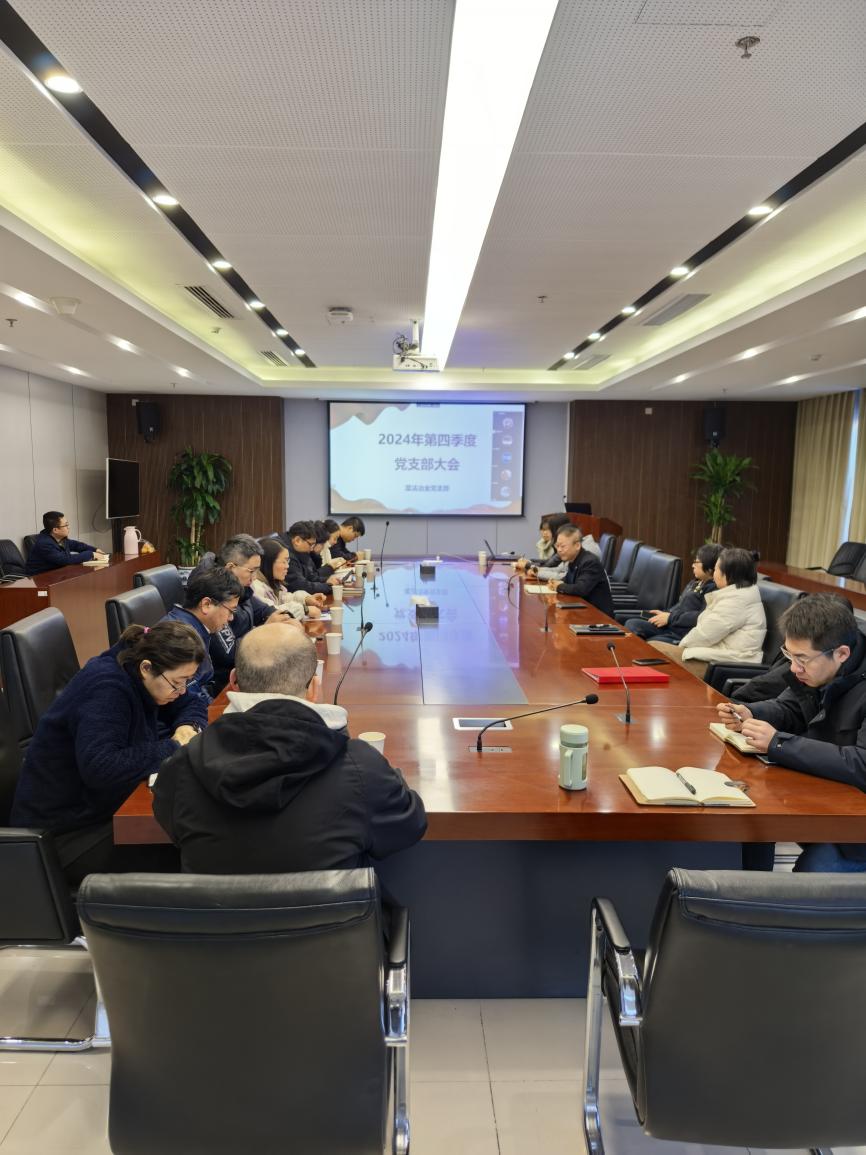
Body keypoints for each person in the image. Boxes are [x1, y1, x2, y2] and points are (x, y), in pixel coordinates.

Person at [153, 626, 427, 873]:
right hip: (328, 915)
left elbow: (172, 828)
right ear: (314, 688)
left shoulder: (183, 766)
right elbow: (409, 826)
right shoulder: (361, 767)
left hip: (216, 914)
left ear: (234, 682)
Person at [11, 621, 205, 884]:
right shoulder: (107, 689)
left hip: (103, 810)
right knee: (188, 844)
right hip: (63, 835)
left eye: (186, 682)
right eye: (177, 684)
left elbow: (191, 702)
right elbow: (102, 767)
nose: (181, 691)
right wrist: (173, 746)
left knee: (190, 828)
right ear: (146, 668)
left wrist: (187, 726)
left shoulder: (149, 673)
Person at [717, 594, 866, 873]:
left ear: (842, 654)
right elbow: (791, 708)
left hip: (856, 822)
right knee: (753, 816)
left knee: (811, 874)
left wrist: (779, 743)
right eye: (789, 655)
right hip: (826, 792)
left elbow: (862, 763)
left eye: (802, 659)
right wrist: (751, 712)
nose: (794, 668)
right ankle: (752, 893)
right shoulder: (818, 667)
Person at [189, 534, 301, 690]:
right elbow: (228, 653)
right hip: (226, 681)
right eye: (251, 571)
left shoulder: (240, 587)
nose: (254, 578)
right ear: (230, 568)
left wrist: (286, 619)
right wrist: (264, 631)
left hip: (245, 668)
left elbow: (263, 610)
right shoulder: (213, 595)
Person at [649, 547, 765, 678]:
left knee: (654, 651)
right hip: (717, 656)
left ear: (727, 574)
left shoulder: (736, 601)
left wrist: (680, 647)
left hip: (725, 664)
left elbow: (704, 635)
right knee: (654, 649)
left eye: (716, 570)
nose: (714, 574)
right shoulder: (739, 595)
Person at [161, 566, 243, 709]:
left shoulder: (193, 625)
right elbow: (187, 697)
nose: (231, 618)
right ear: (206, 604)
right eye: (231, 611)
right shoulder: (180, 639)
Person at [625, 543, 723, 643]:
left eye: (696, 562)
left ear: (710, 568)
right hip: (671, 625)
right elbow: (680, 606)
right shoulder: (696, 582)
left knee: (653, 642)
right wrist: (666, 614)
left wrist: (670, 618)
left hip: (680, 634)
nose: (692, 565)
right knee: (632, 624)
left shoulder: (713, 589)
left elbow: (700, 616)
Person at [536, 524, 614, 615]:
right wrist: (555, 582)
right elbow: (568, 581)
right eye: (557, 546)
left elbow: (581, 589)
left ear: (577, 545)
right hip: (580, 610)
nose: (559, 550)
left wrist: (559, 586)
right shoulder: (573, 559)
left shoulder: (590, 562)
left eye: (563, 546)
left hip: (598, 616)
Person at [253, 537, 324, 619]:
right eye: (283, 561)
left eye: (288, 561)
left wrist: (306, 599)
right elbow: (272, 611)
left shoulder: (271, 582)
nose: (287, 566)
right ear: (268, 563)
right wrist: (305, 609)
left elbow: (285, 598)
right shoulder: (256, 587)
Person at [25, 511, 108, 575]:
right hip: (41, 579)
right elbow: (66, 560)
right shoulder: (44, 544)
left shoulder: (59, 538)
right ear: (55, 530)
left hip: (57, 574)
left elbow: (76, 545)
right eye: (66, 525)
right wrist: (91, 554)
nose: (69, 527)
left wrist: (95, 550)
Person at [283, 520, 341, 596]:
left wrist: (326, 581)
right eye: (311, 544)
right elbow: (300, 585)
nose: (311, 549)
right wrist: (328, 587)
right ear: (297, 540)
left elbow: (309, 576)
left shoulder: (298, 549)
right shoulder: (286, 553)